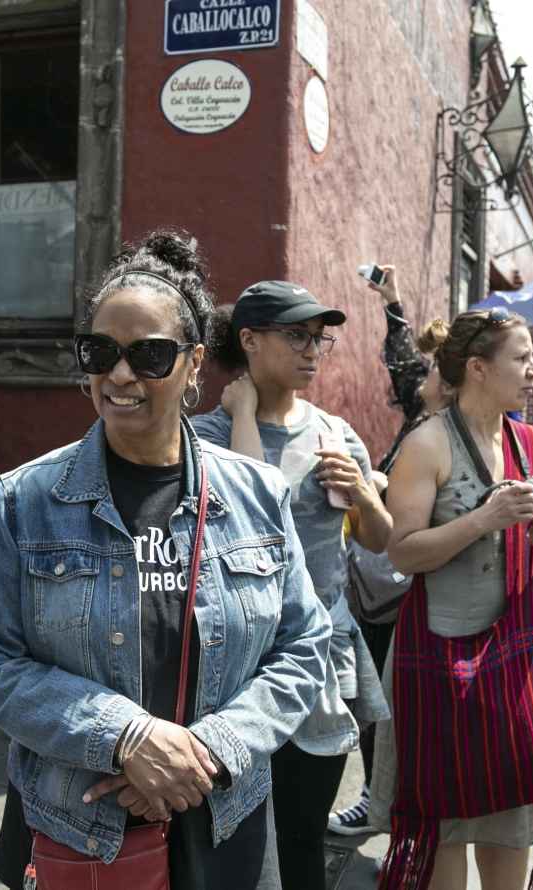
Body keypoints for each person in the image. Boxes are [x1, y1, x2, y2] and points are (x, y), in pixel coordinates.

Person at [0, 231, 332, 890]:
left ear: (193, 365)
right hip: (80, 827)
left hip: (227, 819)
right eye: (100, 352)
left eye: (149, 355)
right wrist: (127, 737)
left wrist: (212, 749)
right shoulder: (29, 500)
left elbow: (305, 644)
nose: (121, 375)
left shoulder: (256, 495)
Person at [194, 280, 392, 890]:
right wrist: (246, 415)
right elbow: (244, 529)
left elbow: (380, 540)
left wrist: (361, 491)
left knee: (303, 833)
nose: (312, 350)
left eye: (319, 339)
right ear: (249, 340)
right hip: (234, 660)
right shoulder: (205, 437)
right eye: (296, 336)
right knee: (232, 831)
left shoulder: (335, 434)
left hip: (319, 655)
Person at [381, 308, 533, 890]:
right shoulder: (426, 444)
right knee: (444, 832)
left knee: (512, 827)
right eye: (522, 358)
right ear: (477, 368)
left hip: (520, 659)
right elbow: (403, 554)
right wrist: (482, 519)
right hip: (441, 665)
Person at [328, 264, 451, 838]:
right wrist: (395, 301)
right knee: (374, 699)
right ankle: (380, 800)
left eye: (431, 373)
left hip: (413, 590)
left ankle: (399, 811)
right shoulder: (424, 416)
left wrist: (379, 487)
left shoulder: (452, 436)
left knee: (399, 706)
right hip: (376, 582)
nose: (417, 378)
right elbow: (404, 362)